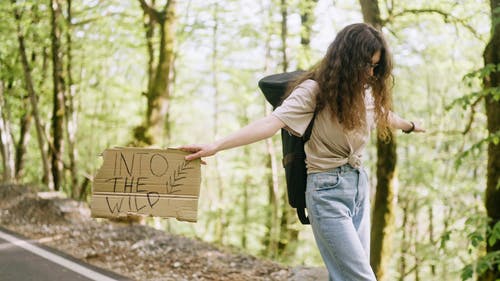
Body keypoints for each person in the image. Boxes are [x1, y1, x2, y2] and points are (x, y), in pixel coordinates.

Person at [180, 23, 425, 281]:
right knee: (361, 278)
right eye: (366, 65)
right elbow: (270, 123)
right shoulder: (313, 91)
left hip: (358, 186)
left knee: (345, 275)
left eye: (376, 67)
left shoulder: (363, 93)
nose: (370, 74)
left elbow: (384, 115)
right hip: (326, 192)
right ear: (348, 60)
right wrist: (215, 146)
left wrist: (410, 126)